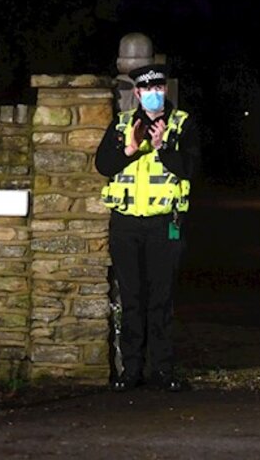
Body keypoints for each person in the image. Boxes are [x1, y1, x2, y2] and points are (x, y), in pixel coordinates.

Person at [95, 63, 199, 392]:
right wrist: (129, 148)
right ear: (137, 93)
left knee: (161, 299)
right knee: (132, 298)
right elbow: (103, 165)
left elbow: (191, 169)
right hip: (126, 224)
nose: (153, 95)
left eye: (159, 89)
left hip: (163, 224)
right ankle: (132, 371)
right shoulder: (123, 124)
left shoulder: (181, 124)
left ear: (165, 91)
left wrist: (162, 148)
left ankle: (164, 371)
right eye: (146, 90)